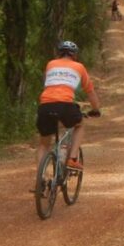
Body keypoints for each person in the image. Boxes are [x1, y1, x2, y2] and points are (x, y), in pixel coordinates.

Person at [36, 41, 100, 183]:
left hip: (45, 105)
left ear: (59, 53)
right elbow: (90, 92)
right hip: (65, 104)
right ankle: (72, 158)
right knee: (79, 124)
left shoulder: (50, 64)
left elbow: (48, 84)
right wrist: (95, 109)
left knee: (44, 143)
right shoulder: (79, 67)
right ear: (74, 55)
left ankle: (42, 177)